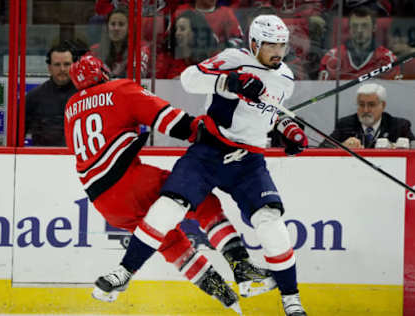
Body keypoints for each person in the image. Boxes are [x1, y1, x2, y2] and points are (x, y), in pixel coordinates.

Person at [98, 15, 309, 316]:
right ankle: (123, 273)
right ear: (254, 43)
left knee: (271, 223)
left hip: (247, 160)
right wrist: (228, 81)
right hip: (209, 150)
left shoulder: (285, 79)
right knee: (168, 206)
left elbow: (268, 113)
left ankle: (291, 300)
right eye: (271, 45)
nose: (278, 52)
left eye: (282, 46)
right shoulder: (232, 59)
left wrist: (287, 128)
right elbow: (188, 79)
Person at [64, 54, 277, 313]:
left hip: (104, 203)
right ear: (103, 72)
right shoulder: (119, 89)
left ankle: (224, 295)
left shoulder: (71, 108)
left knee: (173, 244)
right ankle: (241, 265)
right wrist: (202, 130)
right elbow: (169, 120)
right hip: (132, 181)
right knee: (201, 199)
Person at [319, 83, 415, 148]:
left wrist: (395, 146)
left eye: (371, 105)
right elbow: (322, 149)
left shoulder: (399, 126)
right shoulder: (345, 124)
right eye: (361, 105)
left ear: (383, 105)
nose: (365, 110)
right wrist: (342, 146)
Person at [318, 6, 400, 80]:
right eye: (355, 26)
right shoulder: (332, 57)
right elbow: (323, 89)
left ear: (374, 27)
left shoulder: (387, 59)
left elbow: (395, 92)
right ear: (349, 29)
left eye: (364, 26)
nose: (359, 30)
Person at [25, 44, 77, 146]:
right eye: (57, 65)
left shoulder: (85, 96)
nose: (62, 69)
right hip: (42, 159)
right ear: (49, 68)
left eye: (66, 64)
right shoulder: (34, 97)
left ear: (74, 66)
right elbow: (17, 136)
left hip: (77, 159)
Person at [156, 10, 219, 79]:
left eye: (182, 29)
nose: (177, 33)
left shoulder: (212, 60)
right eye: (176, 29)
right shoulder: (167, 58)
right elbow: (157, 84)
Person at [90, 5, 150, 78]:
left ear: (129, 28)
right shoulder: (95, 50)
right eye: (112, 24)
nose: (116, 28)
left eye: (121, 24)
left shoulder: (139, 50)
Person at [174, 0, 244, 49]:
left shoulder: (226, 13)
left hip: (216, 64)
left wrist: (218, 48)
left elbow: (239, 42)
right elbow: (172, 44)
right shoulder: (181, 11)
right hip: (185, 65)